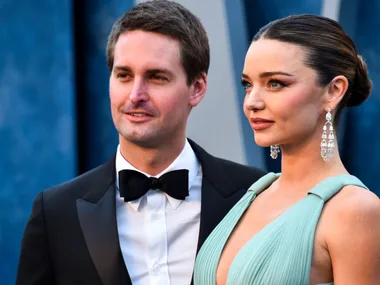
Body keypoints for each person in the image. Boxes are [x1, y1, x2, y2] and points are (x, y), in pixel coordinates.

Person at [15, 1, 265, 285]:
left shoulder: (256, 197)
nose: (135, 95)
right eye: (124, 75)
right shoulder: (56, 212)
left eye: (157, 77)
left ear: (196, 88)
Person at [194, 14, 380, 285]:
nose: (252, 102)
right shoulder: (253, 195)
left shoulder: (355, 211)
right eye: (248, 84)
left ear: (333, 91)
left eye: (275, 83)